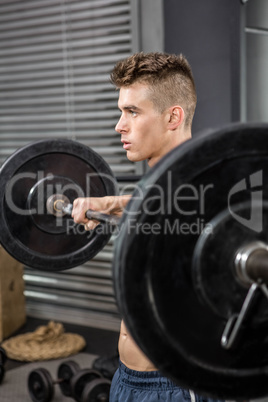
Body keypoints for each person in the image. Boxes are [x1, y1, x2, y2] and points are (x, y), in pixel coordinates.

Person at [72, 52, 214, 402]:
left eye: (132, 112)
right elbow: (156, 202)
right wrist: (109, 204)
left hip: (175, 388)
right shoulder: (163, 188)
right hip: (126, 377)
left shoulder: (209, 189)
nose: (119, 125)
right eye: (122, 111)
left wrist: (111, 203)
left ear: (173, 117)